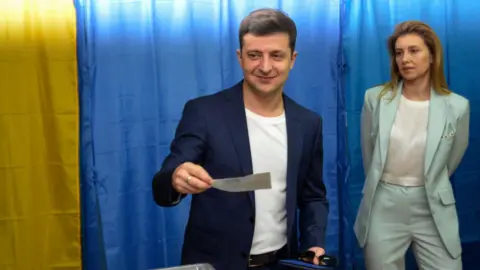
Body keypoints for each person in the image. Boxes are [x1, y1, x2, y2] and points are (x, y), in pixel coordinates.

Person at [152, 8, 329, 270]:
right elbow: (163, 184)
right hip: (215, 264)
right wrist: (176, 177)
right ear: (240, 57)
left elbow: (313, 196)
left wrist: (314, 242)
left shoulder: (308, 123)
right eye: (255, 55)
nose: (265, 67)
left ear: (292, 59)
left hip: (281, 262)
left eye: (276, 56)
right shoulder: (203, 112)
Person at [354, 21, 469, 270]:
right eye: (399, 52)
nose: (405, 59)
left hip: (433, 206)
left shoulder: (458, 106)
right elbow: (369, 155)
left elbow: (450, 161)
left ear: (432, 56)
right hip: (384, 205)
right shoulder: (375, 99)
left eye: (414, 51)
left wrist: (428, 183)